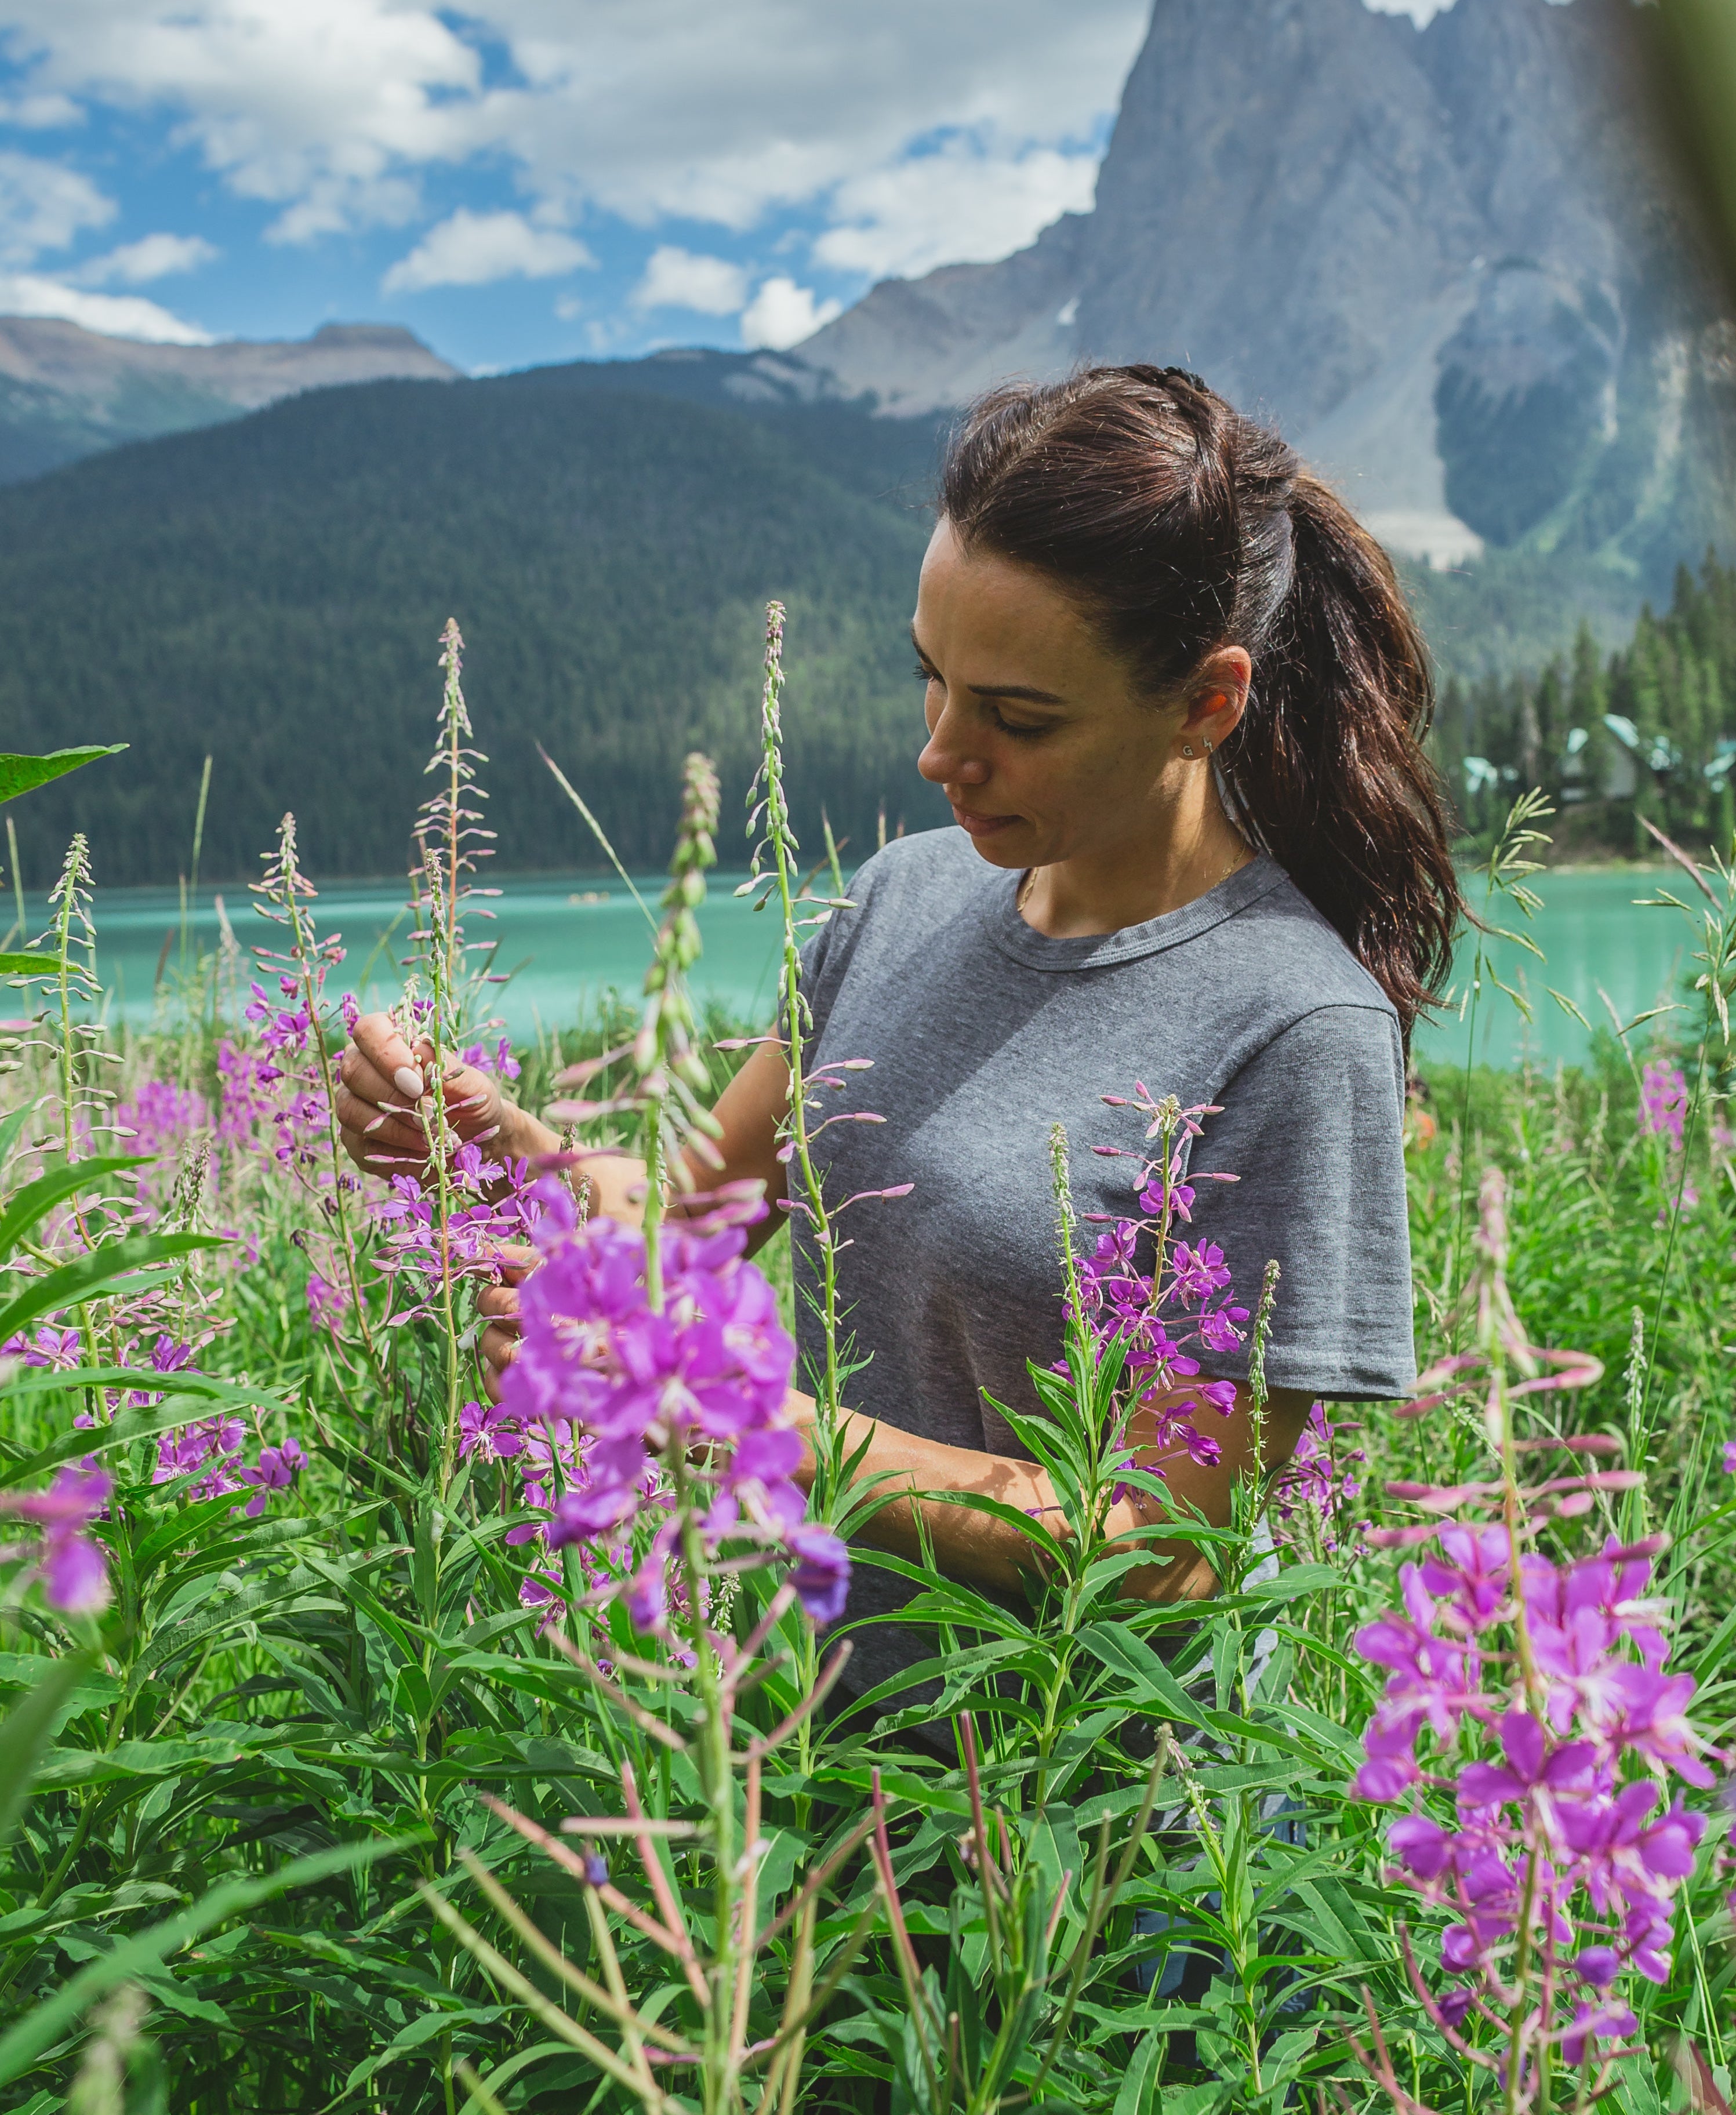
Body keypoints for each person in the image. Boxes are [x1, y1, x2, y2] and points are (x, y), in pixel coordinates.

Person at [332, 364, 1463, 1728]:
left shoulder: (1294, 1022)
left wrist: (764, 1419)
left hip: (1098, 1839)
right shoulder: (902, 899)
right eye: (932, 681)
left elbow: (1161, 1552)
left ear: (1205, 703)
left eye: (1018, 717)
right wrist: (502, 1149)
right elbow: (690, 1216)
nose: (941, 753)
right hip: (831, 1731)